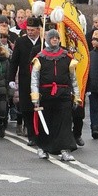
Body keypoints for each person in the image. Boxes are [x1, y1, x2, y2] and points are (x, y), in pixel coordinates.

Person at [30, 29, 81, 162]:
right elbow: (34, 79)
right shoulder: (40, 57)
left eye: (57, 38)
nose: (55, 40)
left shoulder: (67, 57)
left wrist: (76, 96)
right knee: (46, 122)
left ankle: (65, 150)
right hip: (45, 95)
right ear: (47, 40)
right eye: (52, 38)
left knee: (64, 122)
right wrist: (35, 97)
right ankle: (43, 148)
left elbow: (73, 78)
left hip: (63, 94)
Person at [9, 15, 43, 145]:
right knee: (27, 108)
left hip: (41, 81)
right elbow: (14, 62)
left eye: (32, 30)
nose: (30, 32)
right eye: (28, 29)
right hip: (25, 80)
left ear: (38, 29)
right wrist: (11, 78)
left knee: (40, 107)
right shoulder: (21, 42)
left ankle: (40, 133)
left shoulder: (43, 42)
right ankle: (31, 135)